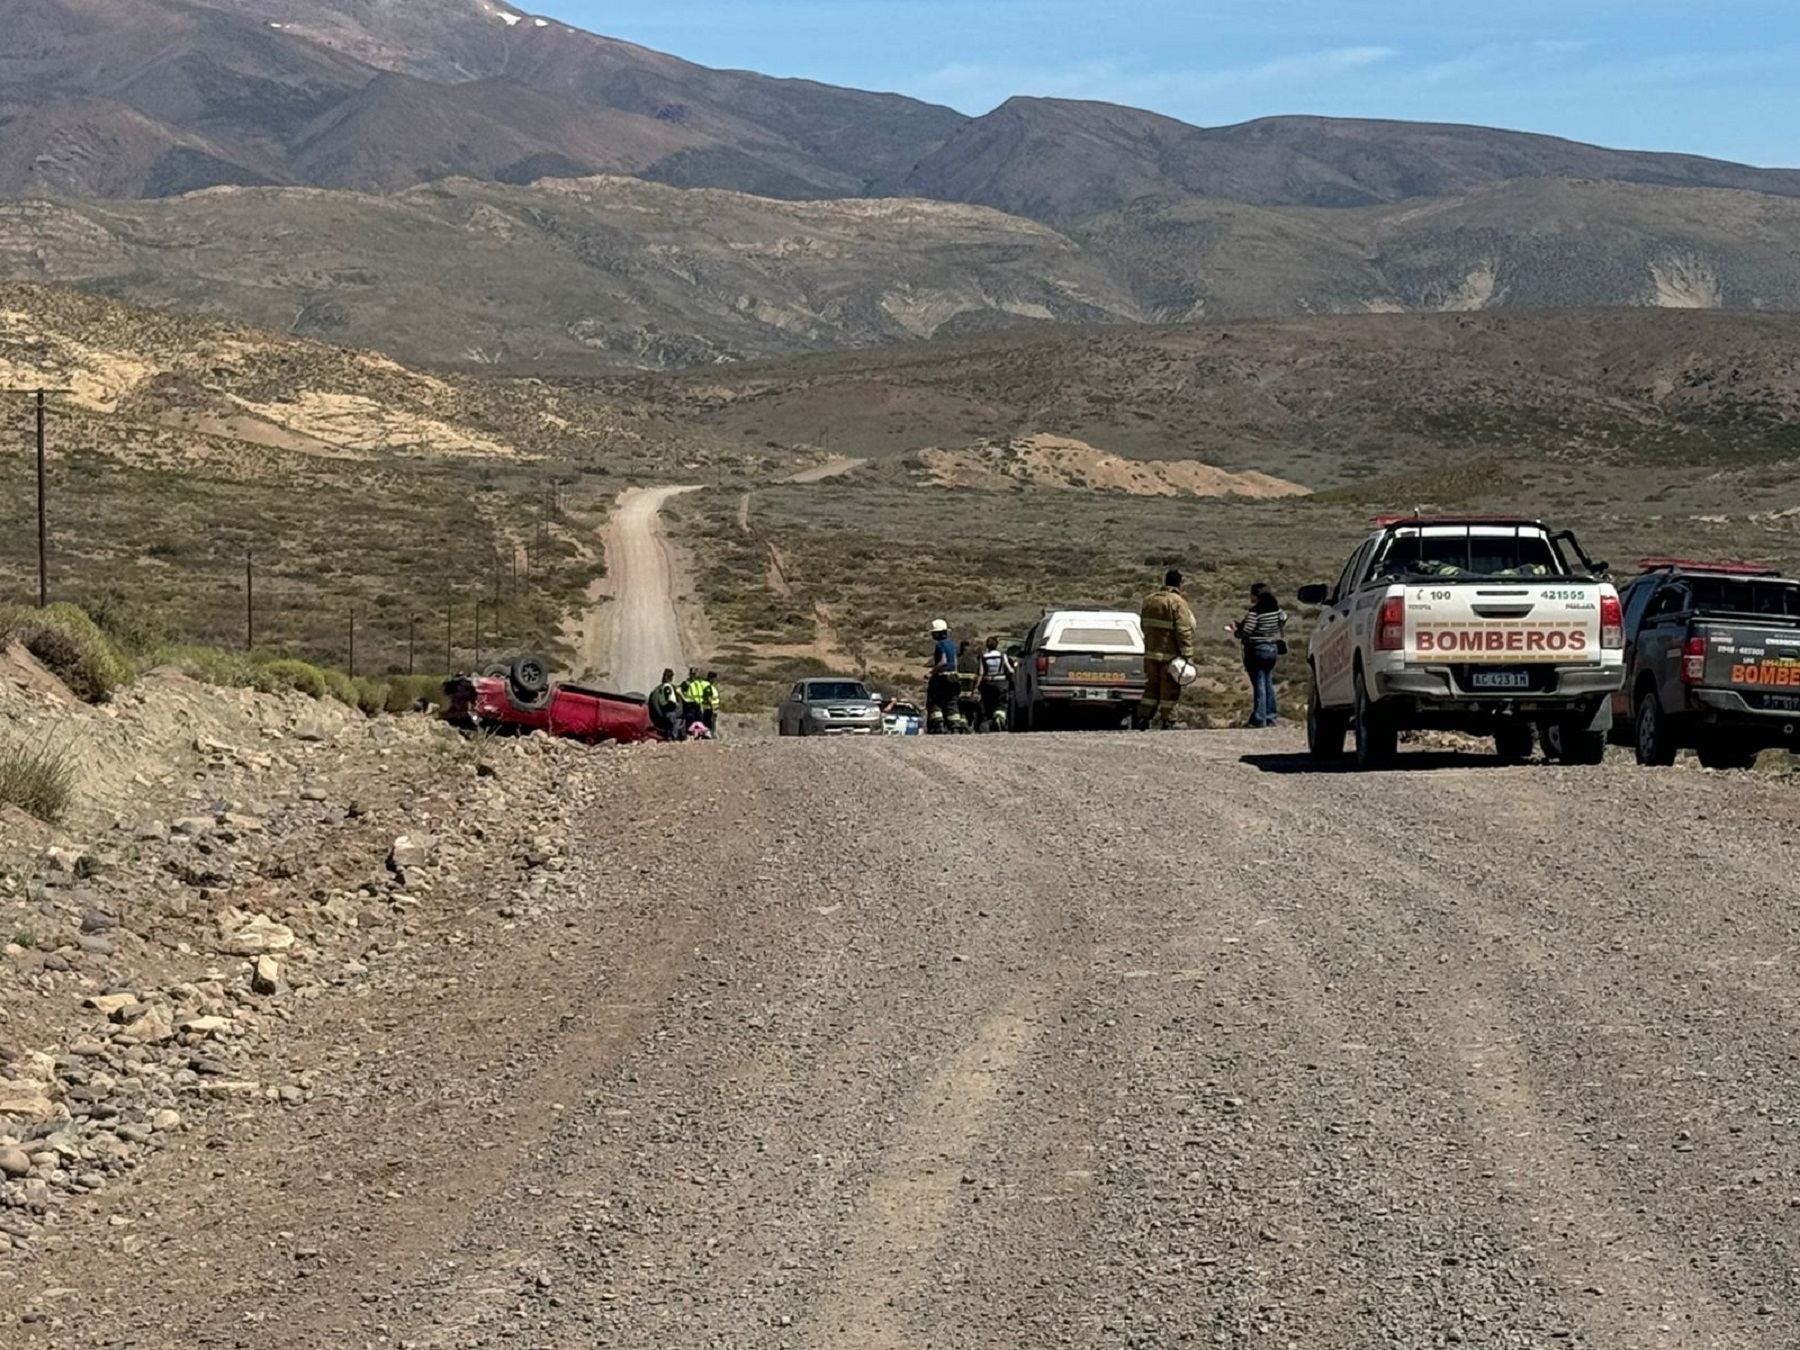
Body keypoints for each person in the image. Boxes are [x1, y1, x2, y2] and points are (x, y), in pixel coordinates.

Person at [1138, 568, 1197, 730]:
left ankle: (1144, 717)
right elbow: (1183, 631)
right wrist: (1187, 655)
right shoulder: (1178, 602)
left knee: (1151, 687)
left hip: (1150, 654)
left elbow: (1143, 625)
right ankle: (1169, 720)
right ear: (1179, 584)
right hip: (1169, 656)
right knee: (1169, 689)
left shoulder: (1149, 600)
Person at [1229, 582, 1289, 728]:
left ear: (1256, 595)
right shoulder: (1276, 609)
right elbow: (1284, 618)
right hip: (1272, 649)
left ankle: (1259, 718)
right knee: (1268, 682)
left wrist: (1237, 631)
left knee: (1259, 683)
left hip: (1257, 649)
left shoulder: (1255, 612)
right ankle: (1271, 716)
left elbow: (1247, 631)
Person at [926, 619, 966, 733]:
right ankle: (955, 726)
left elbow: (943, 661)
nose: (933, 635)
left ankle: (938, 725)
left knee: (936, 701)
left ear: (938, 633)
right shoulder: (951, 644)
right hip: (954, 677)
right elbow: (954, 662)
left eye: (934, 633)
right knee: (952, 702)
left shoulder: (940, 645)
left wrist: (931, 672)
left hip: (942, 678)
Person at [976, 635, 1014, 731]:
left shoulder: (983, 657)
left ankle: (989, 724)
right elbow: (1009, 669)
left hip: (988, 683)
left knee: (989, 703)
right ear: (996, 645)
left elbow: (981, 672)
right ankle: (1000, 717)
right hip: (1001, 682)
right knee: (1002, 703)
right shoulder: (1002, 655)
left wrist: (976, 686)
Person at [648, 667, 684, 741]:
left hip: (664, 712)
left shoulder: (660, 688)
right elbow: (670, 699)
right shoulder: (668, 687)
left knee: (670, 725)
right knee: (674, 724)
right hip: (670, 710)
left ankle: (670, 737)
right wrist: (675, 705)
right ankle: (674, 738)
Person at [701, 670, 721, 735]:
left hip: (711, 708)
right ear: (711, 678)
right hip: (709, 708)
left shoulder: (710, 686)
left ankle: (710, 735)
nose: (715, 680)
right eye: (714, 679)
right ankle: (709, 735)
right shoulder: (708, 686)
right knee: (709, 723)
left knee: (711, 723)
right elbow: (709, 698)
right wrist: (713, 708)